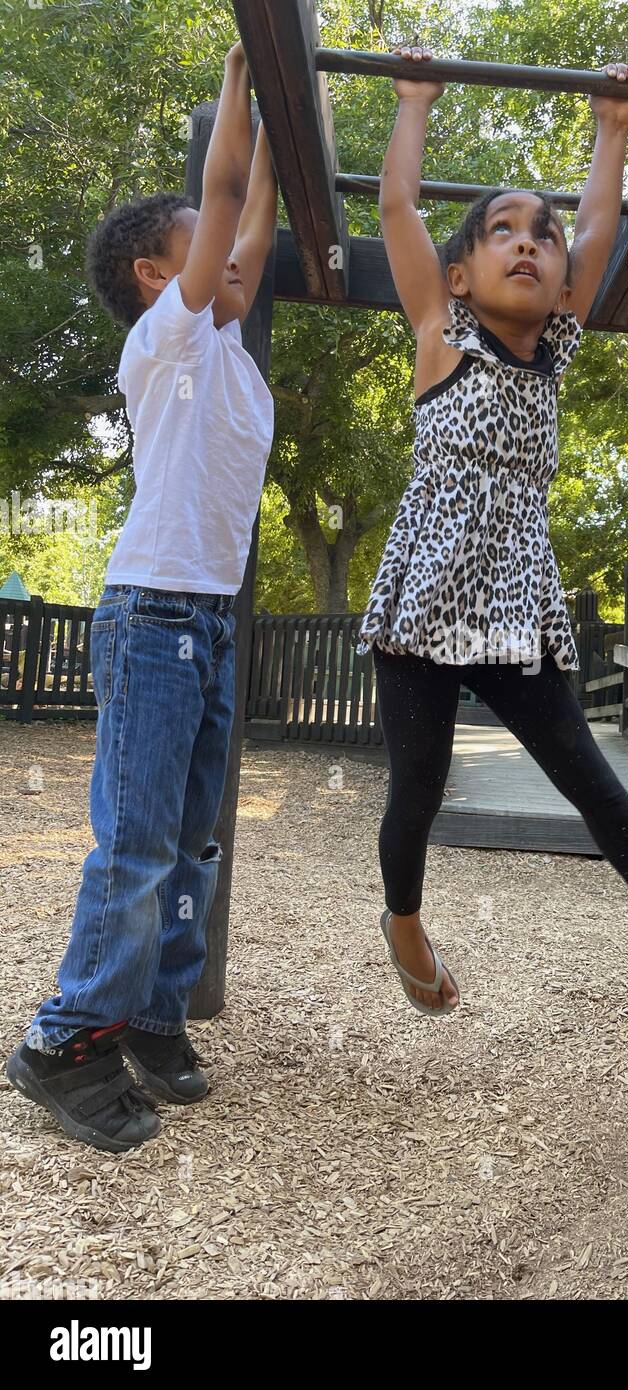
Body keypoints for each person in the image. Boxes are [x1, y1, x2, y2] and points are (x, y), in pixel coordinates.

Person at [355, 45, 628, 1017]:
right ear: (460, 275)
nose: (528, 244)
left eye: (539, 239)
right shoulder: (439, 332)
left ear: (558, 284)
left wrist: (613, 127)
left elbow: (597, 225)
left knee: (586, 773)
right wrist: (414, 100)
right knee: (415, 787)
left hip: (511, 598)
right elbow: (397, 213)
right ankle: (405, 920)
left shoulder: (553, 349)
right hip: (424, 594)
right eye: (502, 231)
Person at [5, 40, 277, 1151]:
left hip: (205, 620)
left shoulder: (231, 349)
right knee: (138, 843)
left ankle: (153, 1015)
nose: (232, 260)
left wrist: (273, 127)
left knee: (195, 843)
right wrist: (238, 80)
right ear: (161, 278)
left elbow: (249, 214)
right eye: (200, 251)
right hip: (155, 613)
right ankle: (63, 1038)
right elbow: (222, 199)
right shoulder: (165, 345)